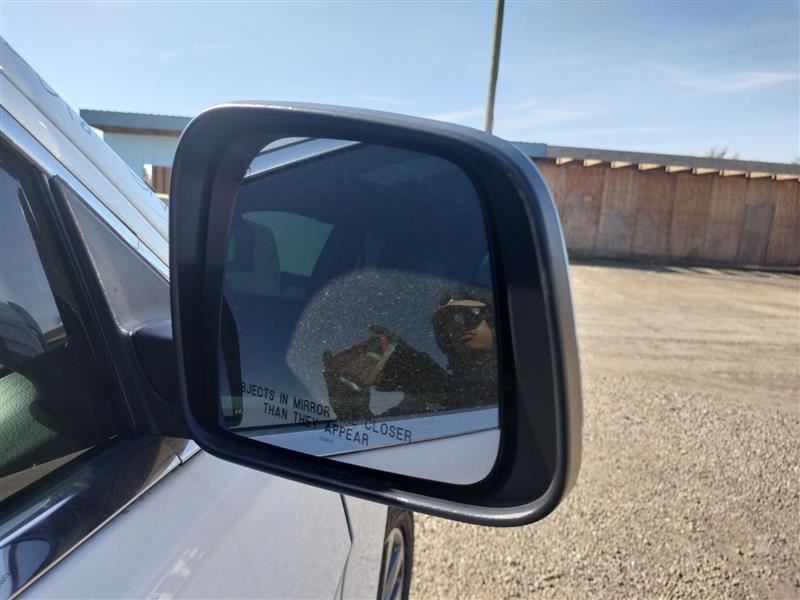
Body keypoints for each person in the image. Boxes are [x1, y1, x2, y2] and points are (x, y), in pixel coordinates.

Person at [322, 286, 498, 422]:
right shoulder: (422, 396)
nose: (458, 327)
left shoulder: (516, 371)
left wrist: (415, 371)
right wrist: (351, 408)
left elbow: (484, 398)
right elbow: (385, 435)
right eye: (448, 324)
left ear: (493, 322)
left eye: (468, 316)